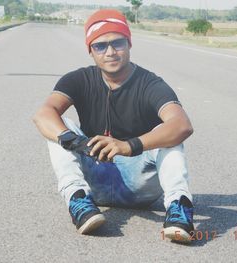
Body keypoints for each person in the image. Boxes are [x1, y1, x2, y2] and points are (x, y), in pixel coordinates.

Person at [33, 9, 194, 243]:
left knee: (167, 132)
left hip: (138, 184)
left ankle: (179, 207)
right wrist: (76, 142)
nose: (110, 52)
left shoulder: (150, 83)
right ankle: (78, 199)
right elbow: (42, 115)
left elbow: (182, 125)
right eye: (100, 46)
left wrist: (128, 146)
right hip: (94, 178)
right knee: (61, 126)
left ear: (129, 44)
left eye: (117, 43)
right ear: (90, 50)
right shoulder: (79, 79)